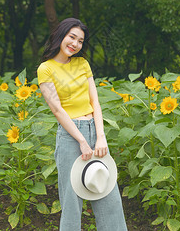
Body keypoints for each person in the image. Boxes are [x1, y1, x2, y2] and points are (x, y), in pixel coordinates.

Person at [37, 18, 127, 231]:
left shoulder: (82, 64)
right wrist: (81, 140)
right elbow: (58, 110)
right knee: (72, 202)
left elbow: (94, 101)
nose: (75, 44)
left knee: (109, 195)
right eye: (72, 37)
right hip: (70, 137)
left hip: (94, 130)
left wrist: (100, 136)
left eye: (80, 41)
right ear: (61, 35)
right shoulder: (46, 69)